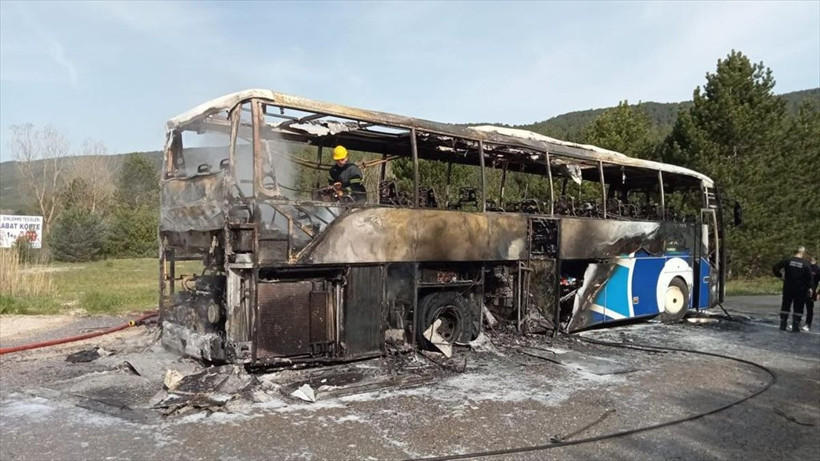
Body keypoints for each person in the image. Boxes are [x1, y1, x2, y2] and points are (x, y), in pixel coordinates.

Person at [772, 246, 812, 332]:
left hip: (788, 287)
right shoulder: (805, 264)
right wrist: (810, 288)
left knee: (785, 305)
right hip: (800, 288)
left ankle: (783, 325)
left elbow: (775, 267)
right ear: (802, 252)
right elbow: (809, 277)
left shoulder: (788, 261)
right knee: (798, 307)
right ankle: (795, 326)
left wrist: (780, 275)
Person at [804, 256, 819, 331]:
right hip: (803, 289)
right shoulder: (806, 267)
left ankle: (808, 324)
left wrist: (819, 293)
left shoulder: (817, 269)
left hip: (812, 291)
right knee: (799, 306)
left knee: (809, 308)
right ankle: (797, 322)